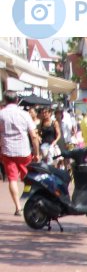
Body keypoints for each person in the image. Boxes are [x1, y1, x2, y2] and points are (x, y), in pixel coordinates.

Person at [1, 84, 40, 216]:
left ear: (5, 100)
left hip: (7, 151)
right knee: (29, 178)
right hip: (24, 151)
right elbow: (34, 136)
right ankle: (31, 203)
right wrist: (37, 153)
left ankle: (18, 207)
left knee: (12, 179)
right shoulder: (24, 114)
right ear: (17, 100)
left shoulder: (1, 114)